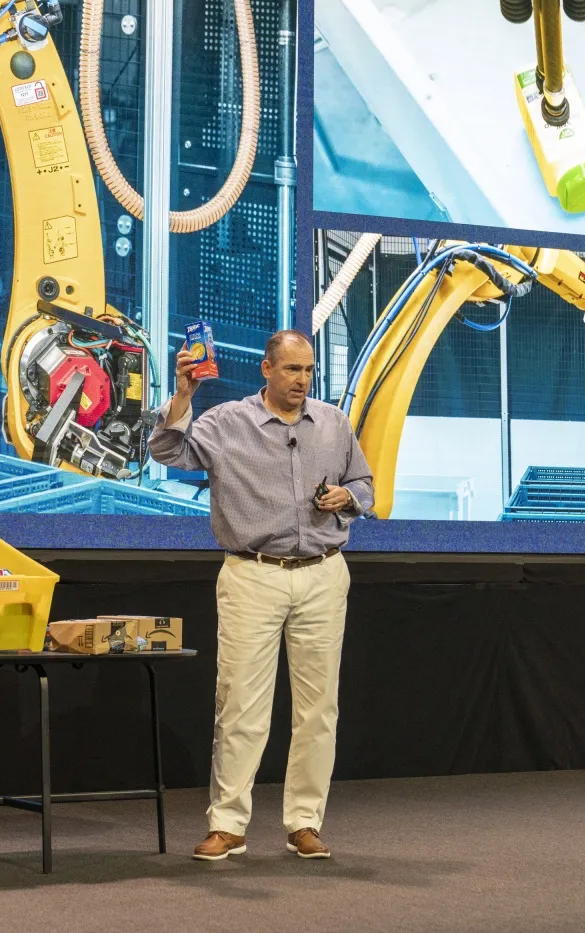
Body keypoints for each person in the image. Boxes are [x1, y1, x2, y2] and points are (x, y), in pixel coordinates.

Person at [148, 328, 373, 863]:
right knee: (241, 706)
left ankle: (304, 822)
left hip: (322, 572)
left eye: (310, 370)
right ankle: (228, 825)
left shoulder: (333, 424)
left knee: (319, 709)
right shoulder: (228, 422)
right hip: (253, 574)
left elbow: (365, 485)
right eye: (293, 370)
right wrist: (183, 394)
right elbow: (166, 451)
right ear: (267, 370)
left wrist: (348, 497)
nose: (303, 380)